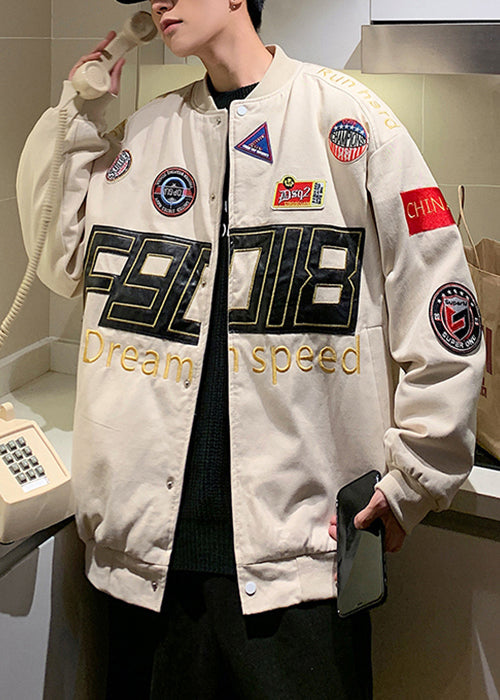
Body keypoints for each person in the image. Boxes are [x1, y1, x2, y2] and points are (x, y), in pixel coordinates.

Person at [17, 0, 484, 697]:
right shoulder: (142, 136)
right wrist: (77, 111)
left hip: (310, 565)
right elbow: (55, 258)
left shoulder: (352, 123)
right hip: (143, 565)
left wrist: (414, 477)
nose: (159, 2)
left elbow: (444, 309)